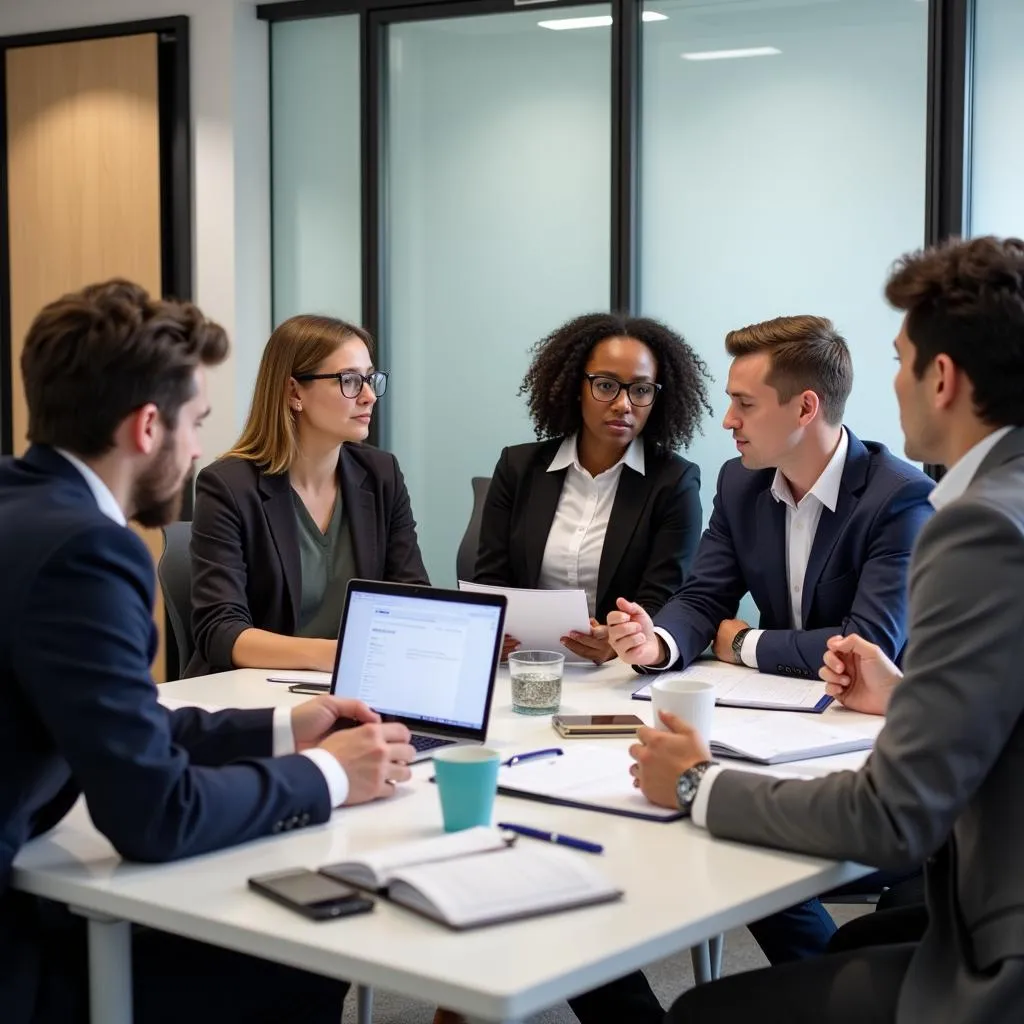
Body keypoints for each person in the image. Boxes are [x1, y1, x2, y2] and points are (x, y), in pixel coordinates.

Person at [625, 235, 1024, 1024]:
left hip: (996, 951)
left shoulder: (972, 526)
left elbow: (892, 816)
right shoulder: (1005, 502)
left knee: (704, 1013)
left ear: (941, 378)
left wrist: (697, 781)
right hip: (976, 881)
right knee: (829, 949)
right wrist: (901, 694)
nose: (894, 383)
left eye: (900, 359)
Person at [0, 280, 416, 1024]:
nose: (199, 450)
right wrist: (329, 773)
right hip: (16, 948)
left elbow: (127, 722)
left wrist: (292, 727)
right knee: (300, 951)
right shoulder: (89, 551)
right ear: (147, 427)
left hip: (31, 855)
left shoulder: (18, 503)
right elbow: (157, 815)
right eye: (195, 423)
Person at [606, 314, 934, 963]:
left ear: (805, 407)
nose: (727, 419)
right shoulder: (740, 482)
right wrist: (659, 642)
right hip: (780, 738)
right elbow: (704, 597)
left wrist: (744, 644)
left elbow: (863, 646)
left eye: (744, 403)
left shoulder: (899, 499)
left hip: (877, 766)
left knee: (742, 837)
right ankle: (826, 983)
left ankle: (831, 989)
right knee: (727, 835)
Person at [188, 314, 429, 676]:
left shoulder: (381, 475)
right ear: (293, 392)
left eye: (370, 379)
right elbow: (220, 631)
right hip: (256, 695)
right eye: (349, 380)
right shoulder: (227, 486)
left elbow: (411, 597)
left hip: (356, 685)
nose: (367, 396)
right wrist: (337, 656)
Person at [474, 312, 712, 664]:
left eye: (641, 390)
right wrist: (493, 631)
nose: (623, 404)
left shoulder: (674, 482)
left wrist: (619, 642)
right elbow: (491, 581)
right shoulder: (518, 467)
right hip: (522, 665)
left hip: (618, 674)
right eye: (605, 385)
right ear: (576, 387)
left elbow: (661, 600)